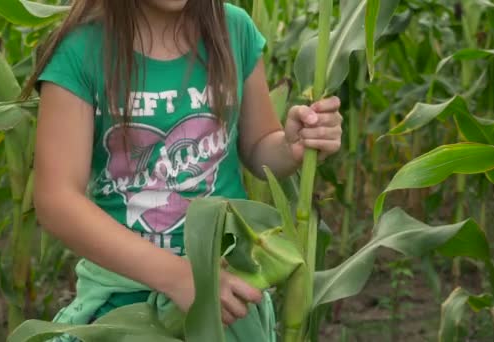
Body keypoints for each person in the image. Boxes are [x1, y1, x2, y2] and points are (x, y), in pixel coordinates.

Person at [25, 0, 343, 337]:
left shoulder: (233, 30)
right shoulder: (80, 50)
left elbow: (258, 145)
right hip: (125, 293)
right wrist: (180, 278)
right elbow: (57, 200)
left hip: (229, 290)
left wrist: (290, 147)